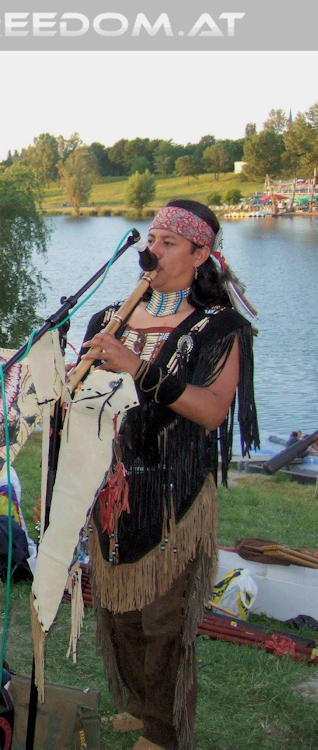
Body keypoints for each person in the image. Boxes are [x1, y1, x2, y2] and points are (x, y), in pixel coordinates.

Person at [77, 200, 258, 750]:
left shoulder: (220, 327)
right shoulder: (108, 319)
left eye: (168, 243)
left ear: (201, 255)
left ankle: (164, 729)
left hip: (174, 491)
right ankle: (139, 706)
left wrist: (136, 366)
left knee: (163, 618)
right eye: (151, 238)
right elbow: (84, 408)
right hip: (111, 489)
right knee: (119, 609)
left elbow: (211, 411)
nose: (151, 251)